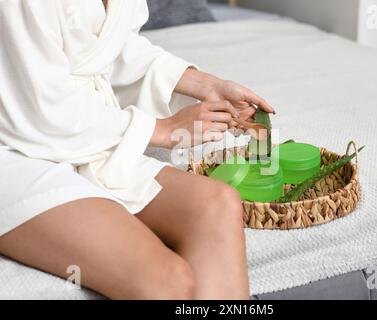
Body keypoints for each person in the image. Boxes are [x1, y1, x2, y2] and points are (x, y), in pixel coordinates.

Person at [0, 0, 275, 300]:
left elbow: (104, 46)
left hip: (90, 129)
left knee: (218, 202)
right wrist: (161, 129)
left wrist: (204, 84)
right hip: (17, 147)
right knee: (169, 280)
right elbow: (40, 110)